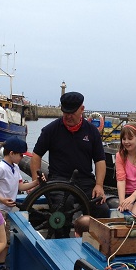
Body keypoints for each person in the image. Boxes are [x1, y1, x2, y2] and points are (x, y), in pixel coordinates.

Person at [30, 92, 110, 235]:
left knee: (102, 209)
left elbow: (100, 160)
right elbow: (36, 155)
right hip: (58, 180)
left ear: (82, 109)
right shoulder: (50, 130)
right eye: (65, 112)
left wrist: (99, 185)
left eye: (72, 112)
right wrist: (36, 180)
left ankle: (96, 245)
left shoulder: (92, 132)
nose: (68, 116)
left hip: (85, 181)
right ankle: (62, 243)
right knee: (63, 205)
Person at [0, 136, 39, 270]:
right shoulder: (0, 169)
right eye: (20, 155)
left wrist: (36, 183)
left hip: (7, 210)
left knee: (4, 239)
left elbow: (21, 186)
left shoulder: (15, 167)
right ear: (11, 153)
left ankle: (0, 264)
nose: (22, 158)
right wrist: (2, 200)